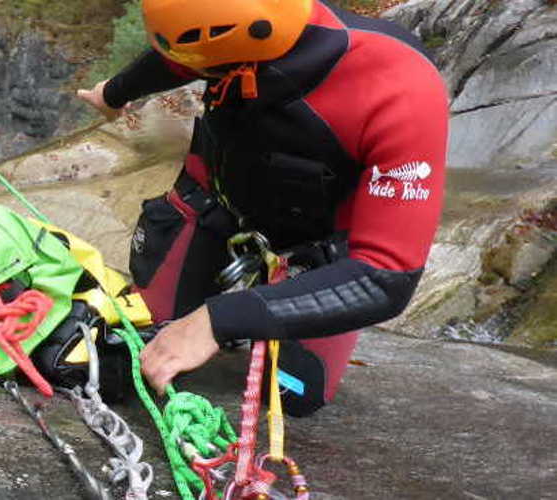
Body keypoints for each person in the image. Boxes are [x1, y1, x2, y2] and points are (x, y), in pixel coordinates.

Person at [77, 0, 449, 416]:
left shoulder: (400, 85)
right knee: (135, 348)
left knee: (292, 392)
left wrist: (220, 320)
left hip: (319, 245)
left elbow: (386, 275)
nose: (205, 73)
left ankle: (254, 312)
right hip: (214, 205)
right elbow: (179, 59)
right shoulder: (220, 35)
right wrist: (113, 93)